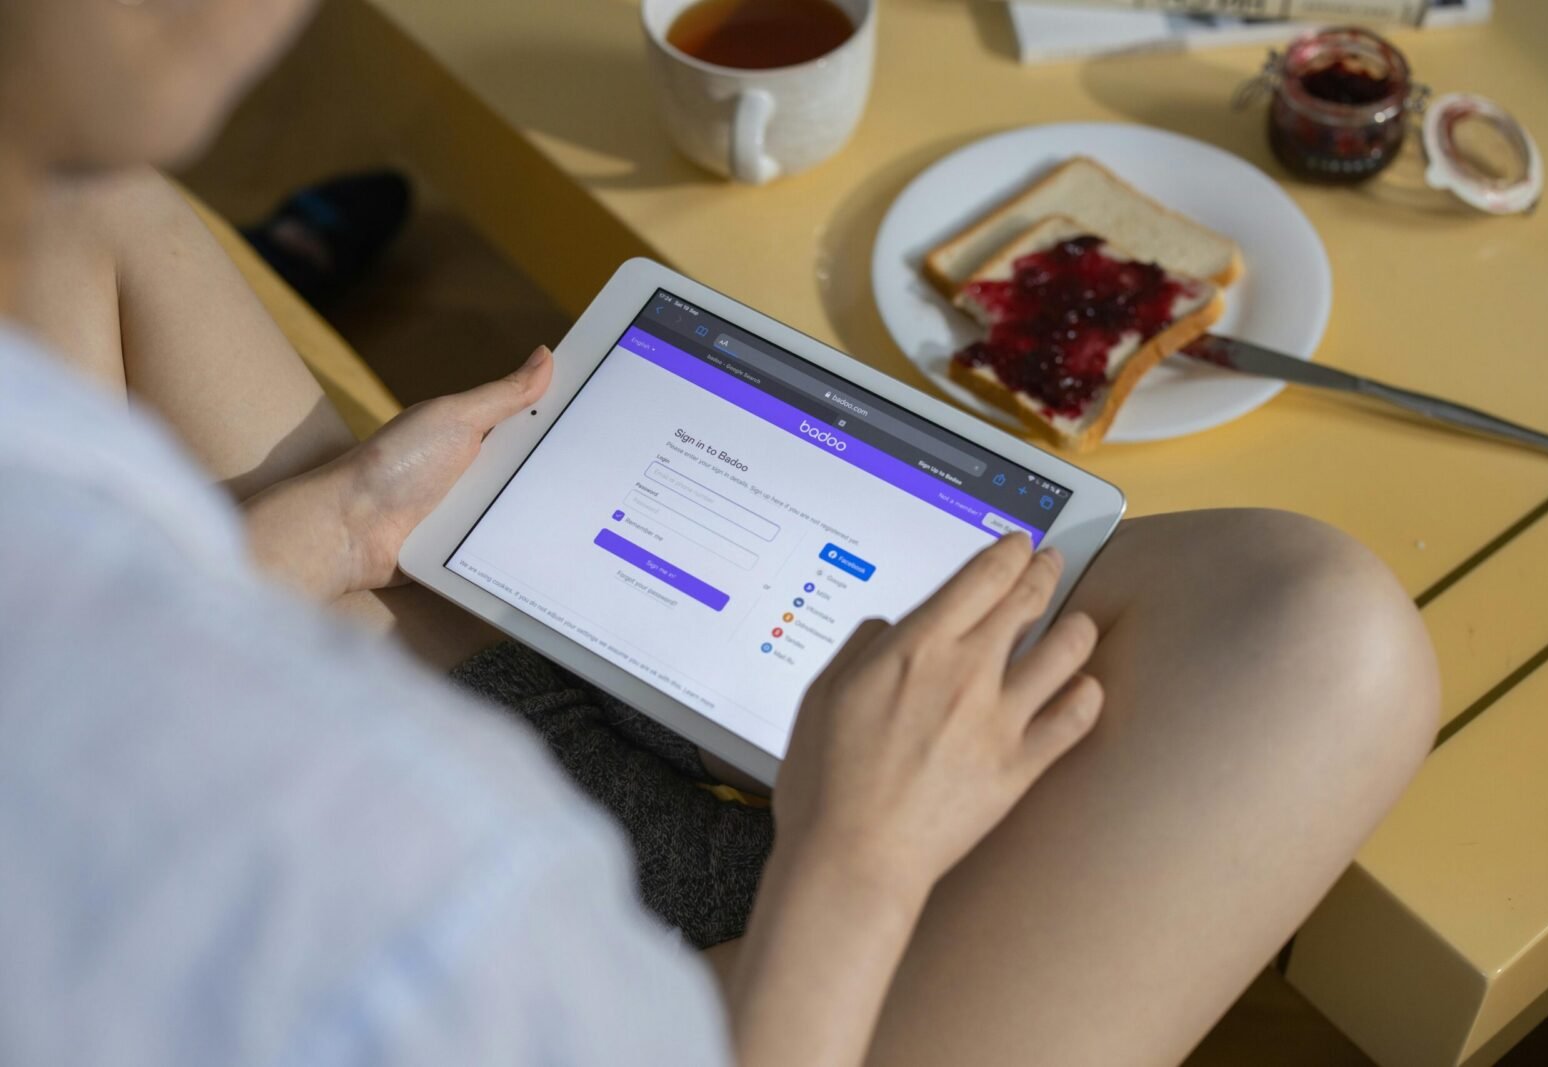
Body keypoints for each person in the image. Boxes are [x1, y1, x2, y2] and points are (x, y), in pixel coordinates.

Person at [0, 2, 1440, 1064]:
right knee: (1326, 636)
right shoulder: (370, 941)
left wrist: (343, 525)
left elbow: (51, 692)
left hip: (404, 727)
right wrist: (858, 863)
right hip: (731, 1001)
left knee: (84, 212)